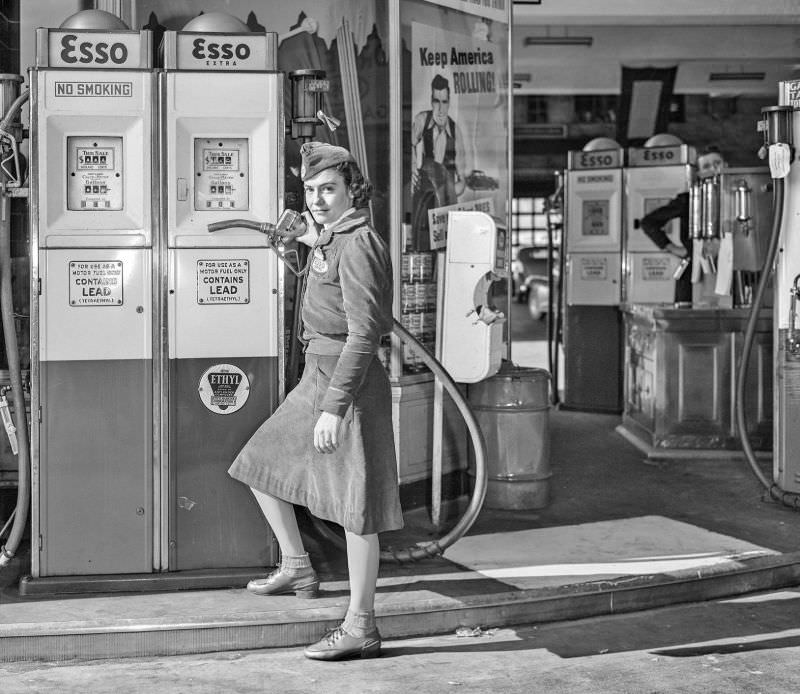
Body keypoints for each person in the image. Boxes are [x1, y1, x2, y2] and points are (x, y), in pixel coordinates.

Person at [228, 142, 403, 661]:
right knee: (259, 464)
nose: (318, 199)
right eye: (310, 190)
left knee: (356, 509)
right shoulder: (333, 238)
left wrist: (335, 406)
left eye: (329, 189)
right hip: (316, 374)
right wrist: (306, 244)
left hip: (348, 385)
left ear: (353, 191)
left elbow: (365, 334)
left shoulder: (361, 243)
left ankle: (361, 626)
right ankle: (297, 563)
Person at [640, 145, 725, 304]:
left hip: (727, 272)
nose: (714, 169)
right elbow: (648, 222)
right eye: (706, 166)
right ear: (698, 173)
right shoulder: (689, 199)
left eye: (717, 163)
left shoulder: (735, 196)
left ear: (726, 166)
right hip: (695, 274)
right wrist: (674, 248)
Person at [410, 73, 468, 207]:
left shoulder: (455, 131)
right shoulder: (422, 120)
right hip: (424, 196)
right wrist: (412, 169)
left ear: (449, 103)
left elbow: (462, 182)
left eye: (444, 102)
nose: (440, 109)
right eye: (436, 101)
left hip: (445, 201)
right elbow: (409, 145)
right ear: (431, 101)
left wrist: (447, 192)